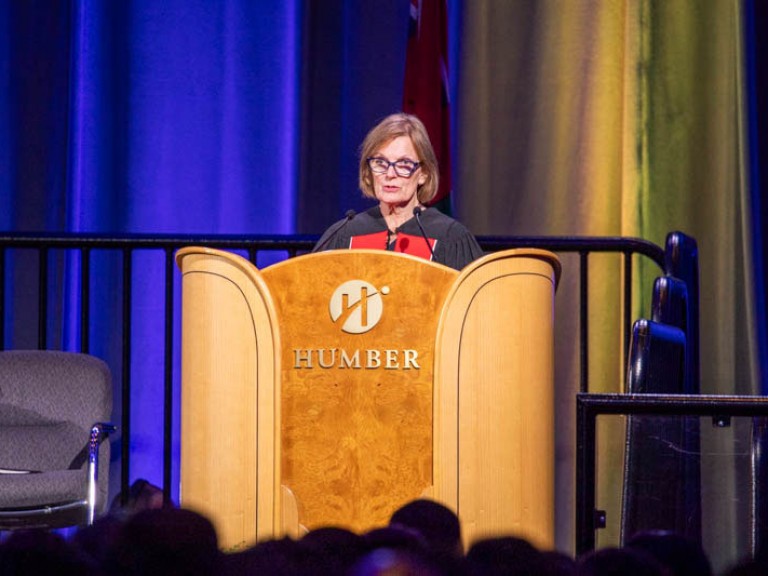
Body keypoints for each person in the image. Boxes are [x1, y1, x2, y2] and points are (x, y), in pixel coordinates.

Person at [313, 113, 484, 271]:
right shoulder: (346, 234)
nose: (390, 174)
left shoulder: (449, 237)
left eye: (403, 164)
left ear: (423, 174)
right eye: (380, 162)